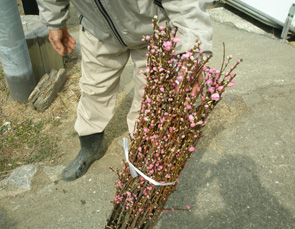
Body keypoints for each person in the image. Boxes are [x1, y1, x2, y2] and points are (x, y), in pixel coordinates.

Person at [36, 0, 213, 181]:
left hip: (154, 27)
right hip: (97, 28)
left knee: (151, 97)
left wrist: (193, 51)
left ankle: (142, 150)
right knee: (94, 89)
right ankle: (91, 146)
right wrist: (55, 22)